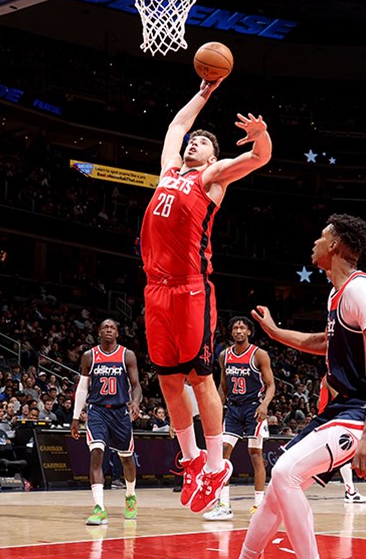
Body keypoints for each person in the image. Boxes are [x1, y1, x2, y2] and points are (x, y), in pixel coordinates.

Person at [140, 77, 273, 514]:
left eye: (201, 142)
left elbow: (258, 158)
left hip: (190, 289)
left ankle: (216, 464)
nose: (193, 142)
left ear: (213, 156)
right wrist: (203, 92)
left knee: (199, 377)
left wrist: (261, 136)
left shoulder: (212, 177)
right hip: (155, 289)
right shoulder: (168, 171)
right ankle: (193, 459)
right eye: (192, 141)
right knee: (166, 379)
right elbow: (177, 125)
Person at [239, 214, 366, 559]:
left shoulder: (360, 290)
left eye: (320, 237)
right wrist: (275, 332)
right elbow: (321, 341)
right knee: (277, 487)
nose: (313, 243)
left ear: (333, 245)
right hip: (344, 407)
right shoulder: (335, 294)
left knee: (285, 473)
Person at [71, 319, 143, 525]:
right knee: (96, 453)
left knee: (126, 458)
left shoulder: (126, 355)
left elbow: (136, 385)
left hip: (120, 412)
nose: (109, 330)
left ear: (118, 333)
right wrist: (76, 417)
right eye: (105, 327)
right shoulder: (89, 356)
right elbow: (83, 388)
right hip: (97, 411)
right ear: (99, 332)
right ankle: (99, 508)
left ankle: (130, 496)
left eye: (112, 327)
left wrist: (136, 402)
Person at [204, 316, 275, 521]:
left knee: (255, 454)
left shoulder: (259, 355)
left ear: (249, 332)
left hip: (254, 408)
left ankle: (259, 505)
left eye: (242, 327)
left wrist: (264, 405)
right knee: (222, 453)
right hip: (234, 409)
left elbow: (271, 385)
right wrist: (217, 408)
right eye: (235, 327)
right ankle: (224, 505)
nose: (238, 330)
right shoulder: (224, 356)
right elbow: (223, 386)